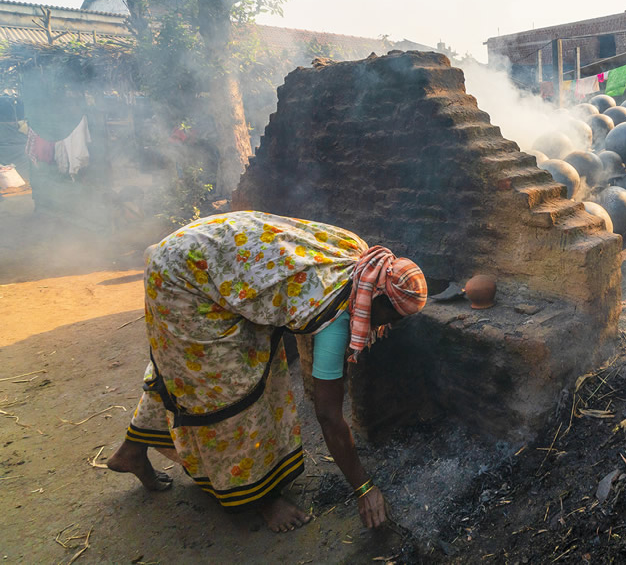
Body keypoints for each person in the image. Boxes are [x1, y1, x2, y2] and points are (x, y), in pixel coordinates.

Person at [107, 211, 427, 533]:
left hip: (201, 250)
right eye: (392, 317)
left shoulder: (361, 256)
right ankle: (261, 501)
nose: (388, 325)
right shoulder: (336, 314)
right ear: (378, 296)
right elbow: (329, 416)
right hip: (183, 279)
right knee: (227, 388)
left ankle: (131, 452)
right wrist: (364, 488)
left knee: (187, 371)